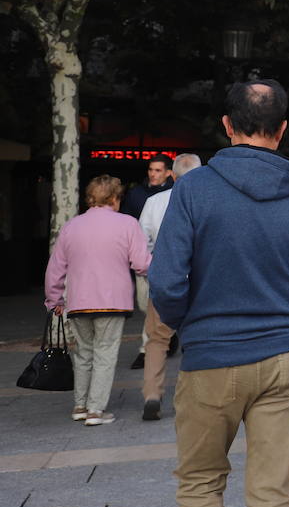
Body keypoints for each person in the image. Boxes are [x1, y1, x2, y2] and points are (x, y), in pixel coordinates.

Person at [149, 80, 289, 507]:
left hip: (209, 359)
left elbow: (164, 281)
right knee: (272, 492)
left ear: (226, 125)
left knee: (200, 484)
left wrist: (192, 325)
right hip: (286, 358)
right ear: (282, 130)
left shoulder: (194, 189)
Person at [44, 175, 152, 426]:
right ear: (115, 197)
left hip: (78, 301)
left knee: (83, 353)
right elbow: (141, 264)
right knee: (105, 354)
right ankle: (96, 410)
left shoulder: (71, 226)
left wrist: (54, 299)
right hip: (113, 301)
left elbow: (55, 268)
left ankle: (80, 405)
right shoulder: (127, 224)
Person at [137, 152, 201, 420]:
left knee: (157, 340)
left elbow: (143, 243)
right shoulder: (208, 201)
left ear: (172, 176)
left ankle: (152, 393)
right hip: (199, 283)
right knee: (197, 340)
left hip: (164, 280)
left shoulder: (154, 202)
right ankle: (192, 397)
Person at [125, 154, 175, 370]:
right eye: (151, 169)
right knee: (146, 305)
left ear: (168, 172)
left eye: (157, 170)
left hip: (162, 259)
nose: (152, 174)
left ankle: (151, 346)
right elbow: (133, 225)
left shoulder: (174, 195)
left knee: (156, 305)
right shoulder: (137, 194)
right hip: (146, 258)